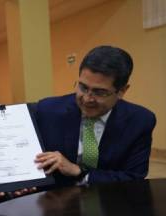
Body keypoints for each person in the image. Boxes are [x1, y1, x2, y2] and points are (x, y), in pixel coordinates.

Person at [34, 45, 156, 187]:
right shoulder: (47, 110)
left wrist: (79, 172)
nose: (87, 99)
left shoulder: (140, 121)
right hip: (55, 201)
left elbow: (133, 178)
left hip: (110, 202)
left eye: (99, 92)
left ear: (122, 91)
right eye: (83, 87)